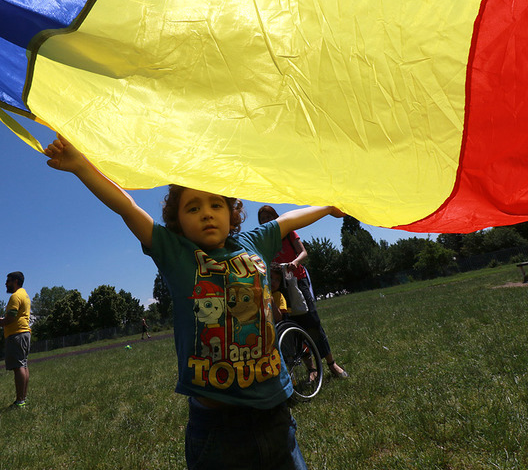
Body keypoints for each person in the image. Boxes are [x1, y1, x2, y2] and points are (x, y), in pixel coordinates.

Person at [45, 134, 343, 469]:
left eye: (216, 204)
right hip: (217, 427)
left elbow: (289, 220)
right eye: (193, 207)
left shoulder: (254, 241)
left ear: (232, 214)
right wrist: (80, 167)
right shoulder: (174, 251)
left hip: (274, 411)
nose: (206, 213)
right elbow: (126, 207)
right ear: (177, 222)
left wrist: (329, 207)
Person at [258, 205, 349, 378]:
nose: (266, 220)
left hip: (297, 281)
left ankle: (331, 364)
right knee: (291, 325)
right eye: (262, 218)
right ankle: (312, 369)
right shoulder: (264, 242)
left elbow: (303, 252)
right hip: (279, 286)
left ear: (276, 217)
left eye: (269, 216)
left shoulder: (289, 232)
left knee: (312, 321)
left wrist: (295, 262)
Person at [0, 271, 32, 409]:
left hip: (16, 334)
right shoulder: (24, 294)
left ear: (15, 281)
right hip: (24, 332)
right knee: (23, 365)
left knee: (19, 366)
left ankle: (20, 401)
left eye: (8, 281)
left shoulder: (15, 296)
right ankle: (23, 399)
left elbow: (11, 318)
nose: (5, 284)